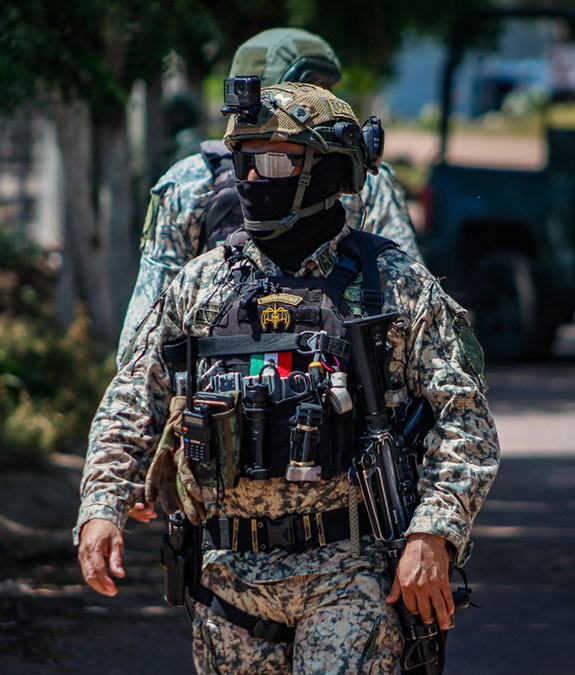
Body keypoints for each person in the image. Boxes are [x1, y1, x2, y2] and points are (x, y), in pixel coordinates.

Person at [76, 82, 499, 674]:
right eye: (244, 160)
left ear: (330, 170)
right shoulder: (201, 285)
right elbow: (133, 399)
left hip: (350, 575)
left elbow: (466, 423)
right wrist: (102, 505)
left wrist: (433, 534)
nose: (252, 178)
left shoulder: (393, 284)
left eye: (275, 162)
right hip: (226, 584)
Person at [118, 27, 426, 364]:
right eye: (314, 88)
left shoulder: (186, 182)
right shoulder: (363, 176)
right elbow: (402, 298)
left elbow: (139, 336)